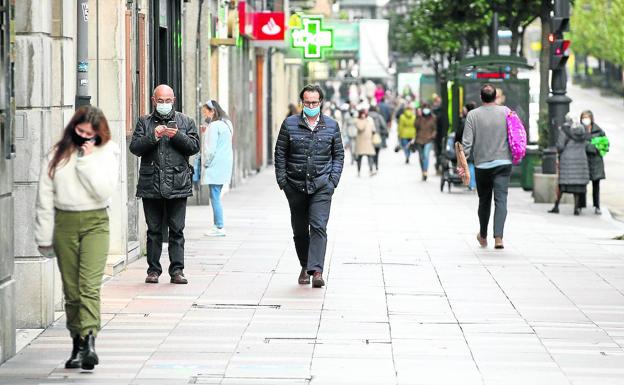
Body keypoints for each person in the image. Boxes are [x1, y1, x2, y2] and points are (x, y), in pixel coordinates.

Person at [35, 106, 119, 371]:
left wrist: (87, 160)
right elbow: (44, 198)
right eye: (80, 132)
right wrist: (43, 236)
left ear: (99, 134)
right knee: (71, 291)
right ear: (73, 128)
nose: (83, 138)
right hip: (64, 223)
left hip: (96, 222)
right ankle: (77, 343)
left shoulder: (108, 152)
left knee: (88, 286)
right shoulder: (57, 154)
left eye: (90, 134)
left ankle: (90, 342)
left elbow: (104, 191)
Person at [274, 84, 344, 288]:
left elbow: (338, 154)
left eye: (314, 102)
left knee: (319, 226)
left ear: (321, 102)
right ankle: (305, 266)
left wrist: (333, 181)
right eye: (307, 102)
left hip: (322, 185)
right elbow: (280, 153)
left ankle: (317, 271)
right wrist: (283, 182)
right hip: (295, 186)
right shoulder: (290, 124)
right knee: (300, 230)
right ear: (302, 102)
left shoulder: (331, 125)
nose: (311, 105)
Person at [130, 84, 200, 284]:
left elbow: (194, 146)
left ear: (174, 100)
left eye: (167, 100)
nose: (164, 104)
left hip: (178, 183)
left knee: (177, 229)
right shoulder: (144, 122)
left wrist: (175, 135)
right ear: (153, 101)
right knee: (153, 230)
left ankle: (177, 271)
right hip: (150, 184)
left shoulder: (185, 121)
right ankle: (153, 270)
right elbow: (135, 147)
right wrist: (154, 136)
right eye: (160, 101)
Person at [459, 84, 512, 250]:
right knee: (501, 200)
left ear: (481, 98)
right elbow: (515, 133)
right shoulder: (506, 112)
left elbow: (466, 144)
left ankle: (483, 235)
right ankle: (499, 238)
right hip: (504, 163)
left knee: (484, 201)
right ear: (496, 97)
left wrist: (462, 164)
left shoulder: (473, 115)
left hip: (482, 165)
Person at [201, 100, 233, 236]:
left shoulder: (214, 126)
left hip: (215, 164)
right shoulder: (227, 123)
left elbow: (210, 149)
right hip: (225, 163)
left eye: (206, 111)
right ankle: (218, 225)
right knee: (216, 195)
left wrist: (206, 163)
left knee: (214, 196)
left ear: (213, 111)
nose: (205, 114)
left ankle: (219, 226)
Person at [548, 121, 590, 216]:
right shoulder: (583, 132)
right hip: (580, 161)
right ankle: (576, 208)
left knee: (562, 186)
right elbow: (587, 144)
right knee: (577, 187)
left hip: (567, 161)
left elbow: (560, 146)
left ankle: (556, 206)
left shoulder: (565, 131)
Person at [581, 110, 607, 215]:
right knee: (582, 184)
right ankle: (580, 205)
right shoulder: (580, 130)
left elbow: (604, 145)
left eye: (587, 117)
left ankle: (597, 206)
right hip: (584, 160)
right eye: (583, 117)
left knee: (596, 185)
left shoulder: (598, 130)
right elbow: (581, 144)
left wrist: (591, 146)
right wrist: (593, 146)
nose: (585, 120)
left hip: (596, 162)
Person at [455, 102, 478, 190]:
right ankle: (474, 184)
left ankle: (472, 184)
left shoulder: (465, 121)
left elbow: (459, 134)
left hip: (468, 145)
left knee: (469, 164)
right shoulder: (477, 119)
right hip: (477, 145)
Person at [411, 102, 437, 181]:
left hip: (428, 140)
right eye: (424, 108)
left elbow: (435, 129)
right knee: (421, 157)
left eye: (427, 108)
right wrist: (418, 116)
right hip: (419, 140)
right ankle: (423, 171)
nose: (426, 110)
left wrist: (433, 135)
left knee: (426, 156)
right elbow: (415, 126)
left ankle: (425, 171)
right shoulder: (419, 117)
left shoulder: (433, 118)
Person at [354, 106, 377, 177]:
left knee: (370, 156)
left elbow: (373, 128)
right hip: (361, 142)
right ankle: (358, 171)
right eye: (363, 113)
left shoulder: (369, 119)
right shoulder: (357, 120)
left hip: (368, 141)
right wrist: (364, 120)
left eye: (365, 113)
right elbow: (361, 128)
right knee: (359, 157)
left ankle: (371, 170)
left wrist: (373, 132)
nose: (364, 114)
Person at [432, 93, 449, 173]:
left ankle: (439, 165)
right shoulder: (435, 112)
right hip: (438, 135)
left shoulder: (439, 112)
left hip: (441, 134)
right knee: (439, 151)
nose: (438, 103)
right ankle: (439, 164)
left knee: (440, 151)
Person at [369, 105, 389, 170]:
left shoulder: (367, 117)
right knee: (377, 152)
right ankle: (376, 165)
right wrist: (384, 133)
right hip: (377, 137)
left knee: (370, 153)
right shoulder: (379, 117)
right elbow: (384, 126)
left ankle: (371, 165)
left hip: (368, 138)